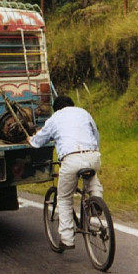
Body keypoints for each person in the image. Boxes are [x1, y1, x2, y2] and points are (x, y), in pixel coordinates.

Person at [27, 96, 103, 250]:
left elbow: (38, 141)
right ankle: (96, 202)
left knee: (64, 198)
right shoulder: (83, 113)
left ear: (56, 108)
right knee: (92, 181)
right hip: (92, 155)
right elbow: (96, 134)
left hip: (71, 159)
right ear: (72, 105)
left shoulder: (55, 118)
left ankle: (67, 239)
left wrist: (30, 139)